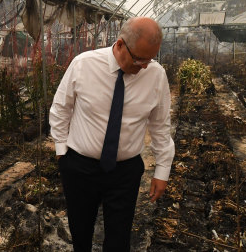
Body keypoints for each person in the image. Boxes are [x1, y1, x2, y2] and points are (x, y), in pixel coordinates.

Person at [49, 17, 175, 251]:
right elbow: (61, 108)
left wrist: (162, 170)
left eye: (150, 59)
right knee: (80, 231)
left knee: (119, 239)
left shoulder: (156, 75)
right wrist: (61, 151)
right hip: (80, 167)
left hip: (124, 172)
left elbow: (160, 126)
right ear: (119, 45)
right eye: (139, 59)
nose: (145, 66)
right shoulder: (83, 64)